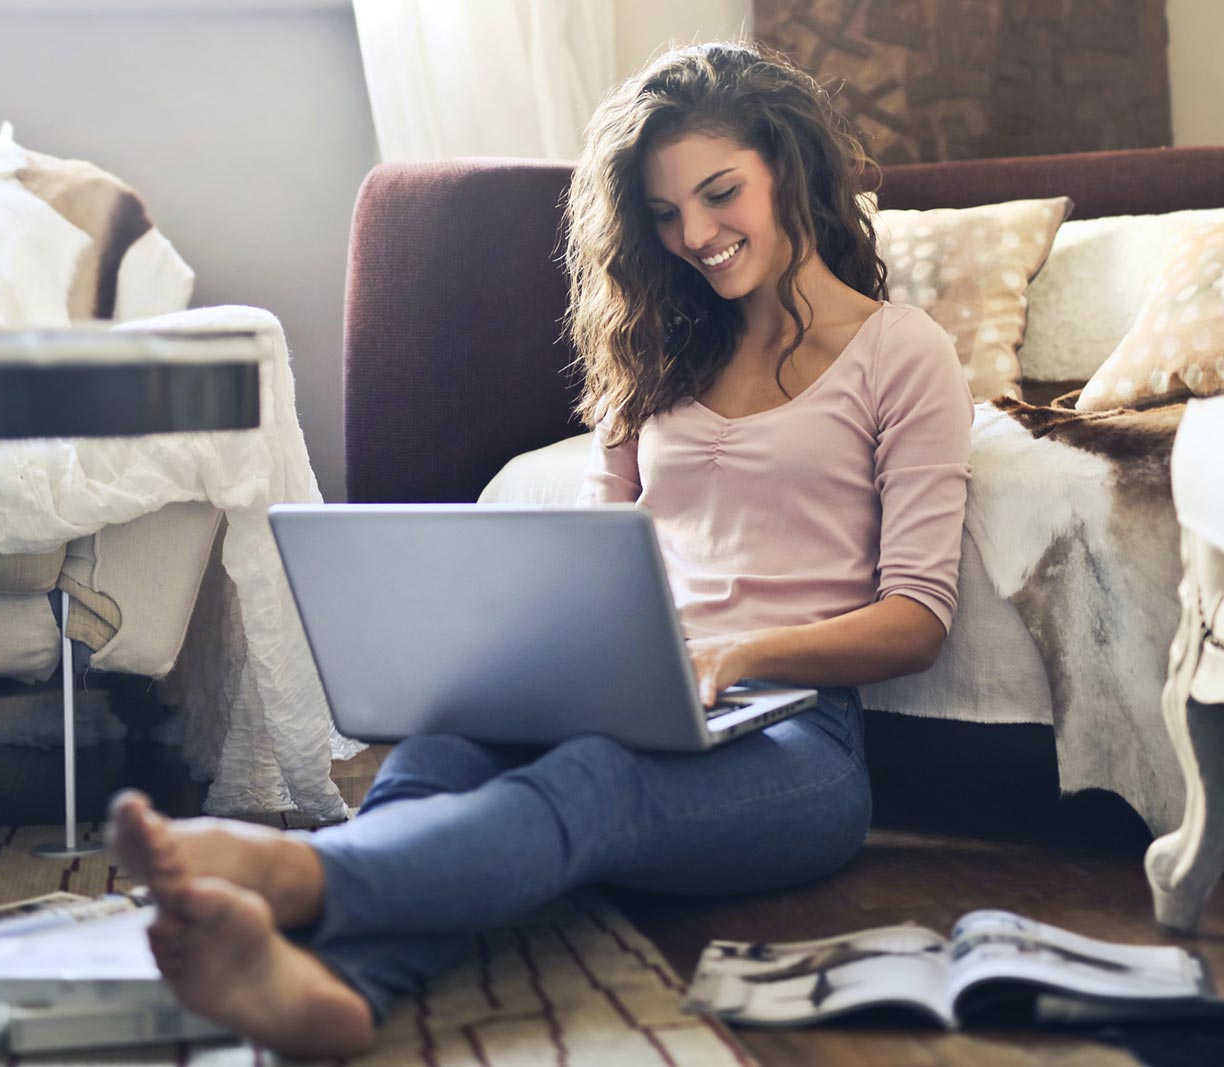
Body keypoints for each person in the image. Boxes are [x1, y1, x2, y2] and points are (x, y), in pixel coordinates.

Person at [108, 40, 974, 1058]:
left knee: (587, 782)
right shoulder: (659, 353)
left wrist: (733, 657)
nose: (693, 234)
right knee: (438, 751)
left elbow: (916, 617)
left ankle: (304, 875)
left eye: (718, 192)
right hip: (628, 689)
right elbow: (592, 557)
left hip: (795, 745)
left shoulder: (899, 351)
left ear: (789, 166)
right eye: (663, 212)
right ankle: (337, 991)